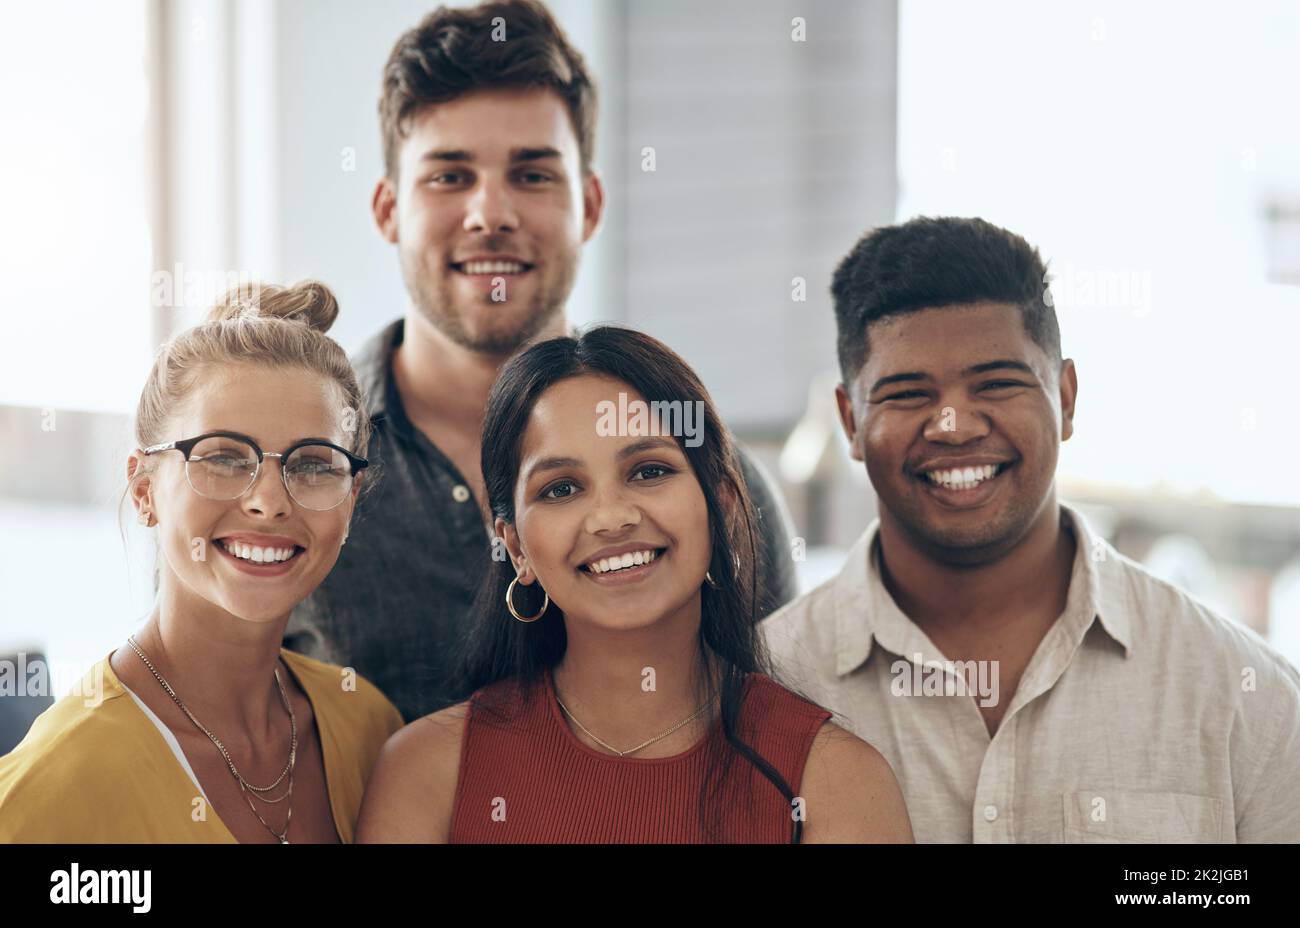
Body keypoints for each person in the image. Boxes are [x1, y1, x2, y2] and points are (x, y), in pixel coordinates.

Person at [284, 0, 800, 723]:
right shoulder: (291, 469)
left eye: (532, 175)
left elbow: (774, 747)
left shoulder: (713, 481)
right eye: (448, 176)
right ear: (388, 208)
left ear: (589, 204)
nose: (490, 213)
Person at [761, 215, 1300, 843]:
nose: (954, 426)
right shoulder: (760, 691)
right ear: (850, 421)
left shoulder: (1245, 698)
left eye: (996, 383)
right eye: (908, 393)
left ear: (1066, 397)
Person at [355, 326, 913, 843]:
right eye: (561, 488)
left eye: (649, 471)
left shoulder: (835, 781)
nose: (611, 518)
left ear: (719, 503)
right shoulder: (426, 775)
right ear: (517, 547)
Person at [0, 282, 403, 843]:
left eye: (313, 464)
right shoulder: (50, 788)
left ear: (351, 498)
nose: (269, 500)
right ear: (144, 489)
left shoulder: (370, 727)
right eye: (223, 457)